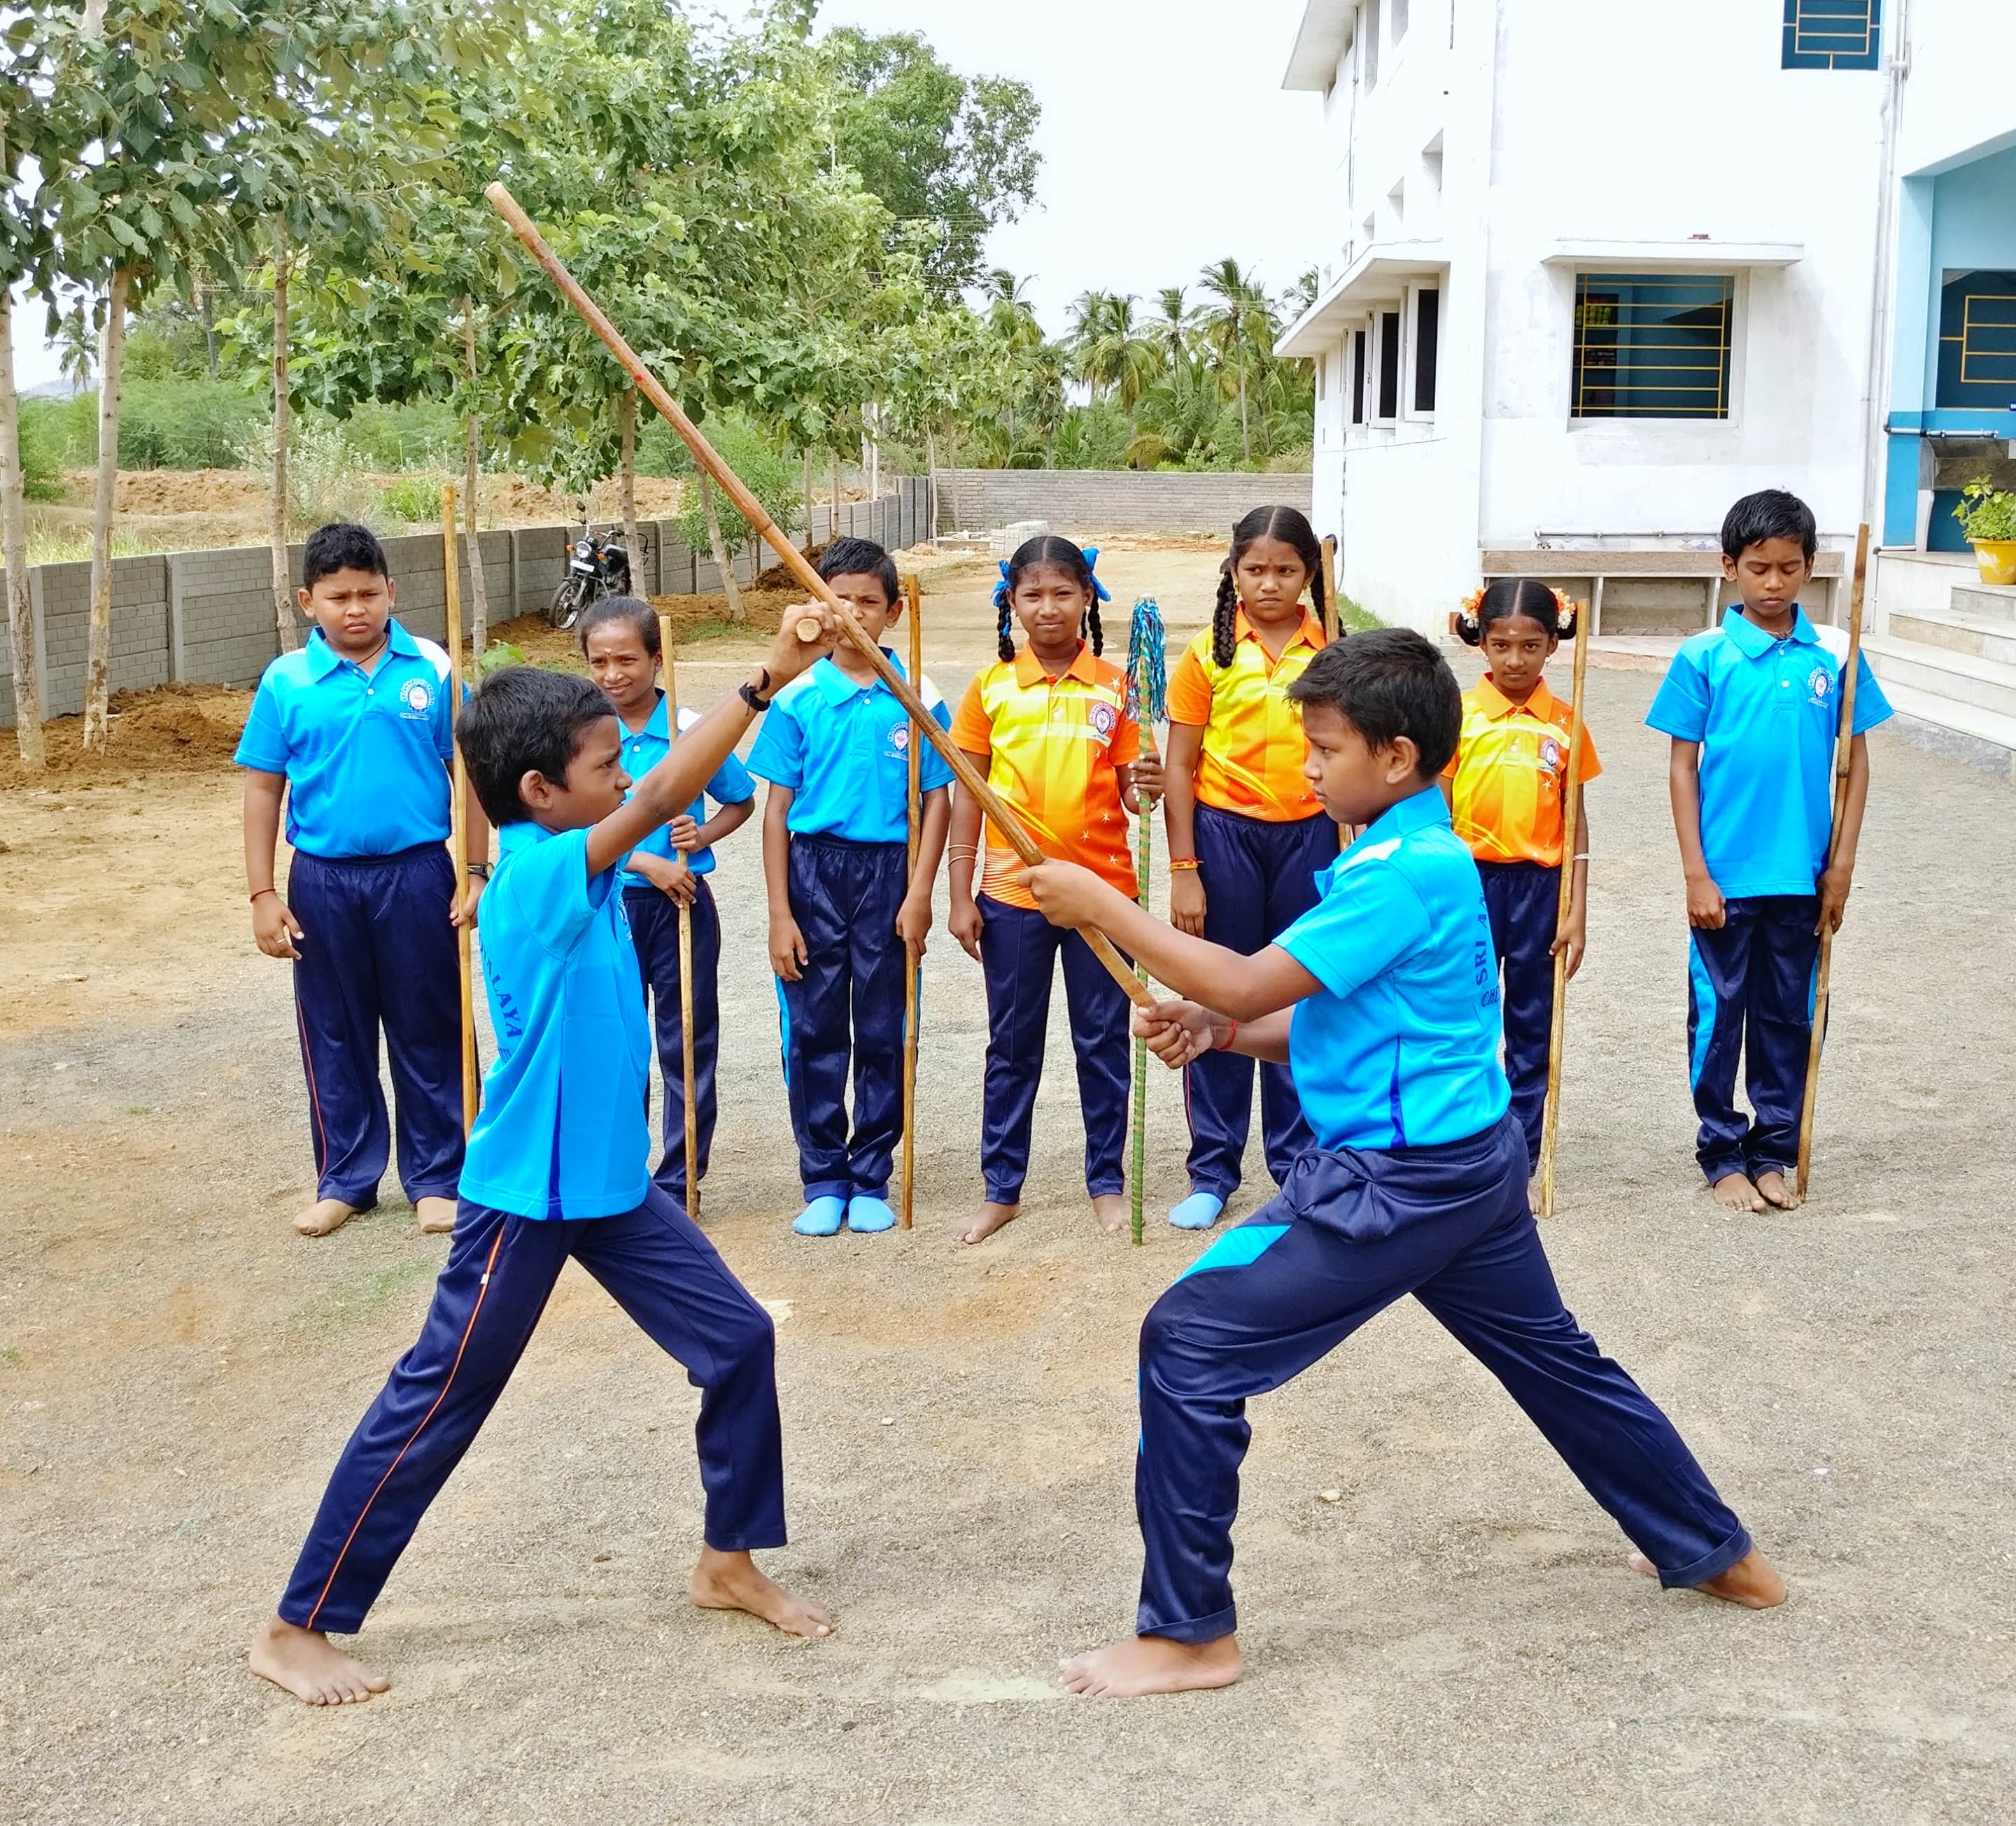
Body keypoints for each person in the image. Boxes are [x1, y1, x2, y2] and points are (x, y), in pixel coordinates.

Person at [1022, 628, 1785, 1700]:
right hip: (1467, 1163)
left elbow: (1250, 980)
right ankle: (1714, 1551)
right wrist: (1220, 1031)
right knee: (1558, 1362)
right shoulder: (1421, 853)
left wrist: (1104, 904)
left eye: (1321, 748)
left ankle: (1190, 1634)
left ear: (1392, 758)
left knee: (1187, 1340)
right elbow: (1356, 1020)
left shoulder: (1400, 871)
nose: (1305, 767)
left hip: (1400, 1183)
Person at [248, 611, 840, 1708]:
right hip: (527, 1193)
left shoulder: (576, 857)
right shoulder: (532, 881)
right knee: (439, 1397)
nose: (628, 769)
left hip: (609, 1187)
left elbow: (656, 817)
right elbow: (666, 798)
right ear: (537, 794)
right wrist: (769, 676)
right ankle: (299, 1621)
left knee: (738, 1339)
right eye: (606, 760)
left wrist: (662, 838)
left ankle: (728, 1559)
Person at [237, 522, 488, 1240]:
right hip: (321, 881)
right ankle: (346, 1179)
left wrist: (474, 869)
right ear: (306, 601)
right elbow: (261, 790)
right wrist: (262, 895)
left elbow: (467, 777)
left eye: (368, 594)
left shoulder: (432, 670)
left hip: (416, 874)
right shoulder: (286, 681)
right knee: (334, 1032)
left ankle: (439, 1177)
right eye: (338, 597)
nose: (356, 609)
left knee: (430, 1023)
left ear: (392, 592)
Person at [1647, 489, 1891, 1214]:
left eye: (1789, 567)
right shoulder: (1703, 657)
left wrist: (1841, 865)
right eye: (1759, 568)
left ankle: (1773, 1151)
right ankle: (1721, 1151)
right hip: (1723, 874)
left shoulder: (1835, 654)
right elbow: (1680, 768)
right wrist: (1695, 871)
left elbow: (1857, 764)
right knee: (1718, 1016)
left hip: (1804, 874)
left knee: (1789, 1018)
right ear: (1730, 568)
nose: (1774, 582)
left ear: (1810, 567)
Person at [747, 539, 952, 1237]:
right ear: (815, 612)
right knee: (811, 1027)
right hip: (814, 872)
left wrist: (920, 893)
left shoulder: (918, 695)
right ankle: (823, 1175)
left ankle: (871, 1173)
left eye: (868, 602)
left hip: (890, 872)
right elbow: (775, 812)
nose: (853, 615)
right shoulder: (797, 699)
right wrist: (780, 913)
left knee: (885, 1026)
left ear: (894, 612)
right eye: (838, 602)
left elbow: (938, 803)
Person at [949, 537, 1144, 1246]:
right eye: (1031, 595)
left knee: (1101, 1042)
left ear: (1087, 597)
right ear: (1011, 604)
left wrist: (1143, 784)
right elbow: (968, 796)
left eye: (1062, 592)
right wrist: (959, 890)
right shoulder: (989, 688)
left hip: (1102, 893)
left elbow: (1131, 795)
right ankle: (1001, 1187)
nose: (1048, 607)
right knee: (1012, 1044)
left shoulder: (1117, 687)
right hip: (1014, 892)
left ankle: (1107, 1181)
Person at [1157, 504, 1336, 1232]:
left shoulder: (1331, 652)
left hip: (1309, 833)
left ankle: (1297, 1167)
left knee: (1299, 996)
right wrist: (1183, 867)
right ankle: (1211, 1168)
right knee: (1222, 994)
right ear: (1232, 572)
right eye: (1255, 569)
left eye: (1285, 571)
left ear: (1309, 575)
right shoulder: (1208, 653)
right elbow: (1179, 764)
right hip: (1223, 834)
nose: (1269, 584)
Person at [580, 595, 755, 1210]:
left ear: (657, 659)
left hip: (682, 909)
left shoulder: (690, 731)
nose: (612, 674)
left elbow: (740, 801)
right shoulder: (577, 737)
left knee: (685, 1041)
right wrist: (642, 859)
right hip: (609, 908)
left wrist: (700, 836)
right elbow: (567, 832)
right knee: (619, 1038)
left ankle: (681, 1178)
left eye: (626, 659)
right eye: (598, 662)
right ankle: (623, 1174)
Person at [1444, 579, 1600, 1179]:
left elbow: (1577, 822)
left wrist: (1576, 912)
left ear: (1552, 647)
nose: (1515, 660)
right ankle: (1464, 1144)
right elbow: (1436, 810)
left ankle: (1523, 1153)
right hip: (1471, 885)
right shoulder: (1455, 717)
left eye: (1530, 646)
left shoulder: (1567, 721)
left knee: (1532, 1023)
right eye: (1502, 645)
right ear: (1481, 644)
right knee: (1466, 1016)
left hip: (1542, 888)